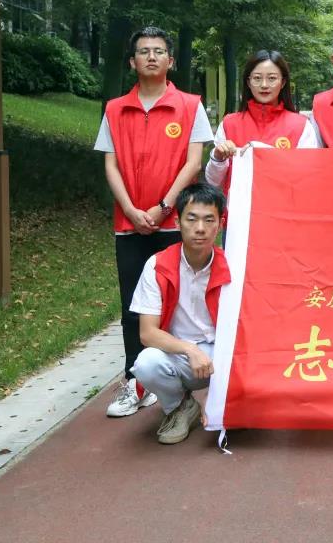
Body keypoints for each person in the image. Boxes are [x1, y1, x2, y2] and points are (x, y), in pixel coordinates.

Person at [94, 26, 213, 417]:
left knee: (176, 303)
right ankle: (135, 382)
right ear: (132, 61)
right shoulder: (115, 108)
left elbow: (193, 163)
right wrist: (131, 209)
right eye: (143, 51)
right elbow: (110, 165)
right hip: (129, 224)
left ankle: (172, 375)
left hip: (174, 223)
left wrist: (164, 206)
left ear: (170, 60)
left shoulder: (190, 106)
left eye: (158, 51)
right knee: (133, 305)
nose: (151, 56)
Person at [129, 183, 230, 445]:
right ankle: (181, 406)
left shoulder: (232, 266)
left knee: (241, 422)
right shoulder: (157, 265)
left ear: (220, 224)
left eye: (209, 220)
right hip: (180, 355)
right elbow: (147, 333)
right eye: (192, 219)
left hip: (224, 355)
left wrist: (216, 394)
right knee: (146, 363)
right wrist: (190, 350)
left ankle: (224, 402)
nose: (200, 228)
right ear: (177, 222)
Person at [205, 49, 318, 197]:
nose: (264, 85)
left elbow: (308, 178)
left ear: (283, 82)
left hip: (284, 208)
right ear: (248, 82)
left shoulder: (301, 126)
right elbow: (214, 182)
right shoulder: (229, 124)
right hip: (239, 210)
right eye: (257, 78)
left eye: (272, 78)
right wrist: (218, 157)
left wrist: (267, 153)